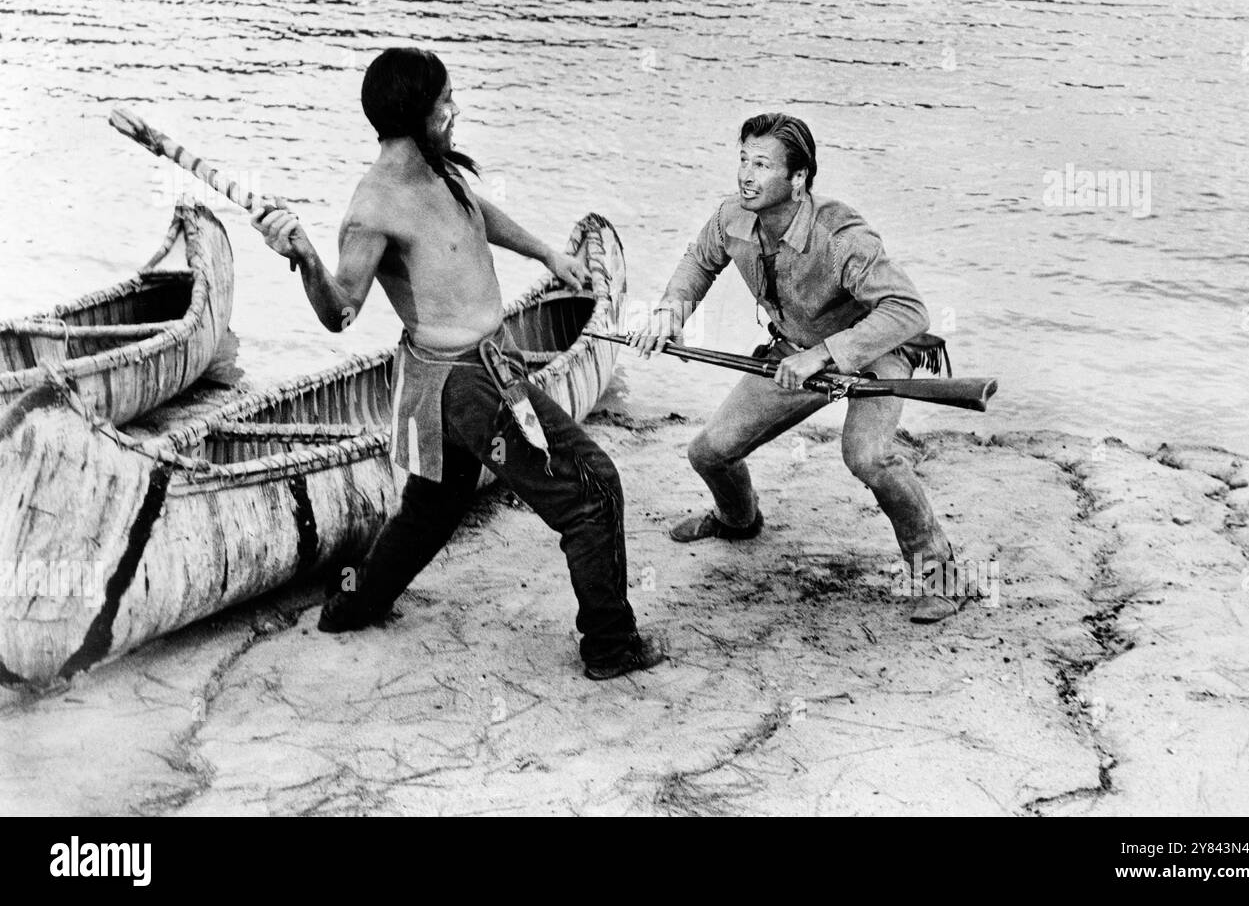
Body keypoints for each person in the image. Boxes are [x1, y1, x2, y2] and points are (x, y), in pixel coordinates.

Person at [251, 47, 665, 679]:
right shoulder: (373, 208)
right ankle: (611, 644)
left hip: (462, 378)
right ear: (419, 110)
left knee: (430, 510)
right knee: (592, 491)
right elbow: (339, 313)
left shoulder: (438, 172)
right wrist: (304, 256)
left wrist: (548, 255)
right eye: (447, 100)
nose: (456, 109)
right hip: (466, 386)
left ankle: (353, 606)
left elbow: (475, 214)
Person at [632, 112, 965, 623]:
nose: (746, 174)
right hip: (794, 352)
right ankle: (738, 520)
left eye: (762, 165)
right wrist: (667, 313)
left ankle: (940, 574)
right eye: (743, 159)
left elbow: (907, 310)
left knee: (868, 458)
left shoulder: (840, 235)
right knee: (708, 452)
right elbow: (698, 263)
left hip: (873, 353)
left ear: (798, 178)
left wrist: (825, 354)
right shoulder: (732, 217)